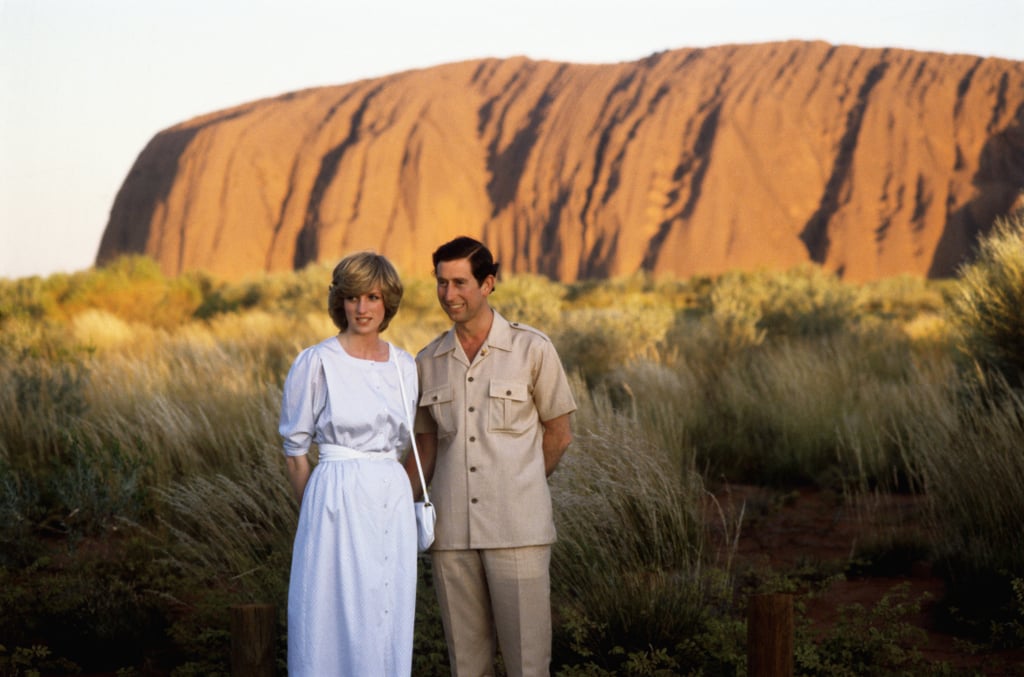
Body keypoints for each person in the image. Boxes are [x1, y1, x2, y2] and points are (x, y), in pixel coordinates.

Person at [406, 236, 577, 677]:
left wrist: (521, 485)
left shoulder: (533, 349)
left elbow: (559, 434)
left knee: (527, 664)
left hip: (519, 530)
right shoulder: (427, 361)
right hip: (451, 537)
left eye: (460, 282)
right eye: (441, 283)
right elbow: (424, 448)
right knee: (467, 665)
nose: (449, 295)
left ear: (488, 284)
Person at [279, 251, 419, 676]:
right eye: (353, 296)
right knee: (330, 607)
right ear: (339, 301)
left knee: (385, 606)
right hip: (334, 496)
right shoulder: (317, 361)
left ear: (387, 303)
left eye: (373, 297)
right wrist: (315, 513)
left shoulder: (404, 365)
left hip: (390, 499)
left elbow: (409, 440)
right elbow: (295, 450)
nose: (363, 308)